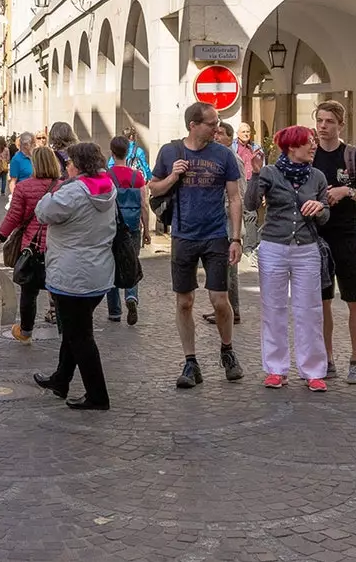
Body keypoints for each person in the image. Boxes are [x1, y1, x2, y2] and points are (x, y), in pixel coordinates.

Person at [148, 102, 244, 388]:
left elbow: (235, 197)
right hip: (183, 236)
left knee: (220, 302)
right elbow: (153, 188)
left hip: (216, 235)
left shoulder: (224, 154)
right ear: (193, 124)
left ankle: (227, 350)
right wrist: (173, 176)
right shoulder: (170, 151)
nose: (218, 127)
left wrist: (236, 237)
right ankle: (190, 362)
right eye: (212, 123)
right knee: (184, 302)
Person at [31, 141, 117, 410]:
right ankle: (61, 380)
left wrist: (51, 191)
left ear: (78, 165)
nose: (65, 166)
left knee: (80, 336)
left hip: (72, 275)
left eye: (68, 162)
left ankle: (97, 395)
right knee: (73, 330)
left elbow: (43, 212)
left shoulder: (72, 193)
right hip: (98, 272)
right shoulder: (107, 186)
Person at [252, 125, 331, 391]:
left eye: (314, 142)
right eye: (309, 142)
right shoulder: (270, 173)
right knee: (273, 308)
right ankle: (276, 369)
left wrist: (320, 208)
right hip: (273, 247)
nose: (314, 146)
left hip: (306, 249)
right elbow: (251, 203)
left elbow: (326, 215)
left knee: (309, 310)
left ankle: (313, 371)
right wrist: (254, 173)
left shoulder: (317, 176)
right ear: (292, 146)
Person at [309, 101, 356, 384]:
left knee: (354, 300)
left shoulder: (353, 157)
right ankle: (327, 358)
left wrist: (347, 191)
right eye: (320, 121)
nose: (323, 126)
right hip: (317, 238)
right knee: (322, 302)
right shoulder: (308, 156)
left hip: (348, 237)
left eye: (329, 122)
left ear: (340, 125)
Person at [0, 144, 59, 341]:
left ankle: (26, 331)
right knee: (60, 292)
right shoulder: (64, 186)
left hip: (33, 247)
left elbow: (12, 218)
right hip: (58, 247)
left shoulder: (24, 187)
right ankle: (65, 331)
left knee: (29, 291)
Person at [105, 136, 151, 325]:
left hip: (111, 227)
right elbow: (144, 204)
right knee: (131, 263)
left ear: (112, 152)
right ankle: (131, 297)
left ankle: (115, 311)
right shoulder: (137, 176)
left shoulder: (107, 176)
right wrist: (146, 229)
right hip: (132, 227)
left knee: (111, 265)